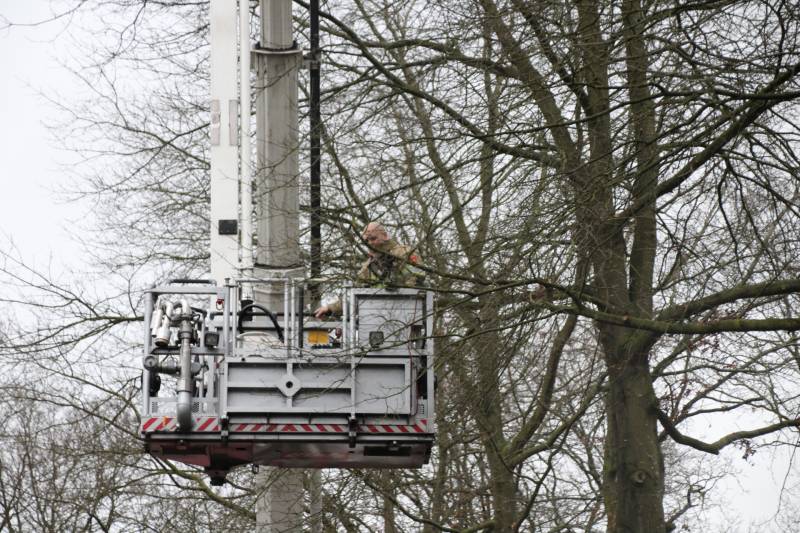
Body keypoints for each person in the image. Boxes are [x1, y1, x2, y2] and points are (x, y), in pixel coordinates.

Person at [314, 222, 424, 318]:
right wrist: (330, 308)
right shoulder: (368, 267)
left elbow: (417, 281)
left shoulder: (404, 253)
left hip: (408, 312)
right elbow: (354, 295)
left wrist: (396, 286)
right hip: (376, 317)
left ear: (385, 236)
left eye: (373, 238)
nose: (370, 243)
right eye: (366, 240)